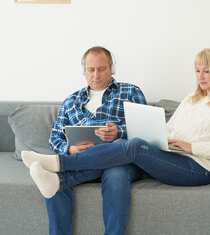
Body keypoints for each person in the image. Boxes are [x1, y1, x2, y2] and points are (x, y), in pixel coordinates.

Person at [22, 46, 210, 221]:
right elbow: (170, 127)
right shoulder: (191, 99)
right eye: (198, 71)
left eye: (207, 71)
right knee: (138, 143)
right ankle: (59, 176)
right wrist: (160, 134)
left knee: (135, 146)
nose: (201, 76)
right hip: (175, 158)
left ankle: (60, 164)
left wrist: (193, 147)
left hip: (200, 168)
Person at [27, 46, 147, 235]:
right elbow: (55, 136)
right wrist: (69, 150)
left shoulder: (130, 92)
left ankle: (62, 166)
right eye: (91, 70)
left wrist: (119, 133)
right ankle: (66, 163)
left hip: (122, 161)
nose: (95, 75)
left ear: (112, 69)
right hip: (81, 161)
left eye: (101, 69)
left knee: (114, 173)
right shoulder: (71, 101)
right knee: (53, 179)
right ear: (84, 71)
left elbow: (146, 133)